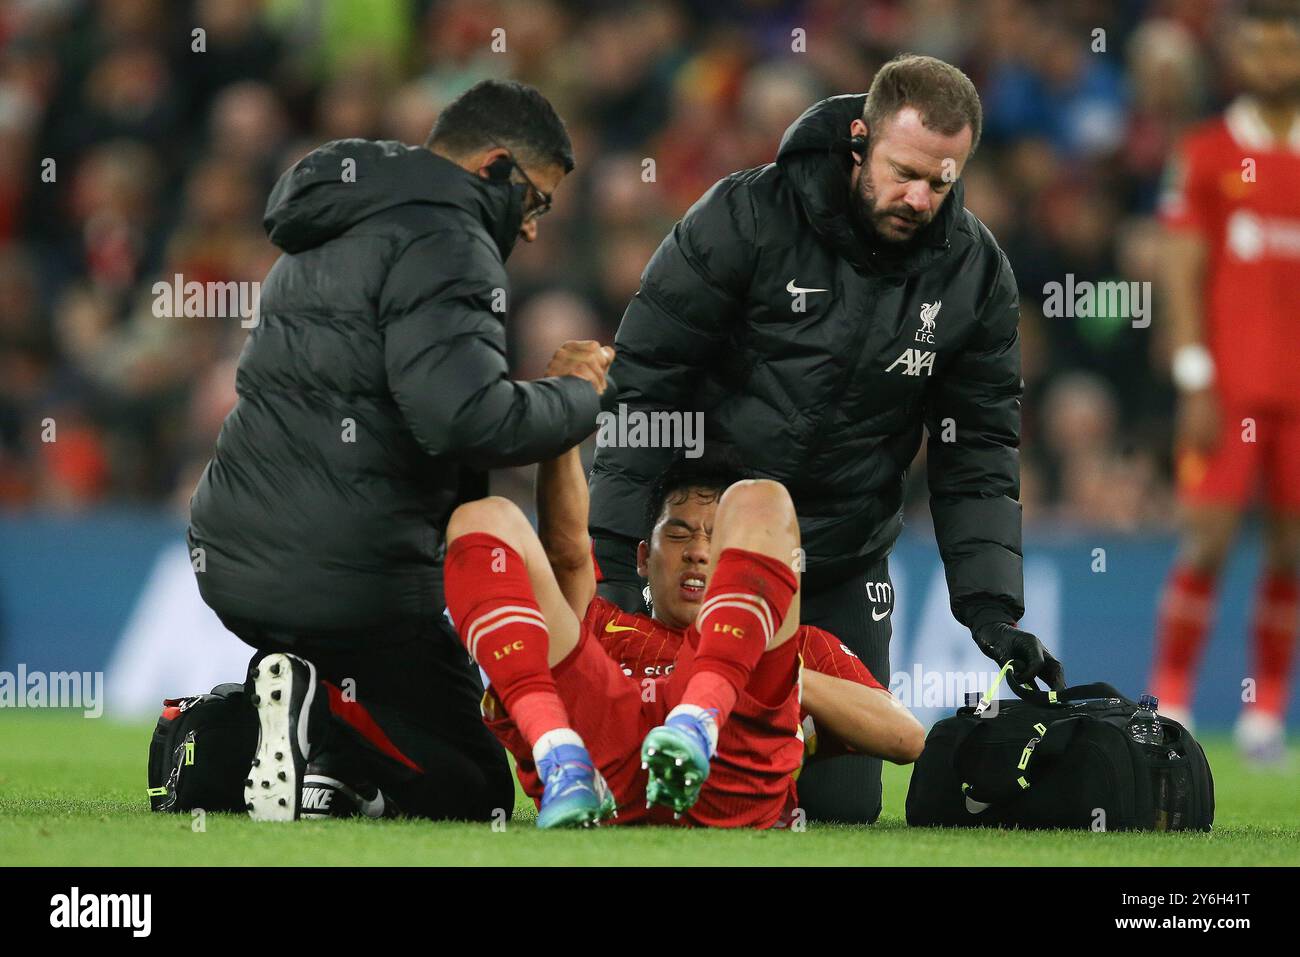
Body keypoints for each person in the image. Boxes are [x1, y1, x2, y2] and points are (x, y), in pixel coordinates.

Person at [588, 54, 1062, 822]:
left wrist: (991, 611)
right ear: (857, 142)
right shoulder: (742, 218)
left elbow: (976, 454)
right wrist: (613, 559)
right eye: (904, 171)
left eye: (941, 182)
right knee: (651, 799)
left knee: (841, 812)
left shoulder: (974, 274)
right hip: (710, 544)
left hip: (838, 553)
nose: (920, 198)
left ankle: (773, 728)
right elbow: (644, 387)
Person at [187, 79, 615, 821]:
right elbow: (465, 419)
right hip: (355, 574)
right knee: (474, 787)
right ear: (496, 167)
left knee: (381, 721)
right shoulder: (450, 240)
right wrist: (578, 395)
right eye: (536, 201)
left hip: (236, 548)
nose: (535, 228)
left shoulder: (336, 214)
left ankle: (272, 744)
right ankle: (317, 717)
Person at [440, 446, 923, 828]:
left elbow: (905, 737)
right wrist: (564, 417)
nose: (696, 552)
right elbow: (567, 551)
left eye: (715, 537)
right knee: (481, 519)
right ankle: (557, 752)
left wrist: (764, 673)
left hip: (727, 776)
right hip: (599, 766)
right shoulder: (603, 624)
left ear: (744, 556)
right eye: (678, 535)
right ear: (642, 559)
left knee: (763, 497)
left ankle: (696, 721)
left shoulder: (792, 646)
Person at [1150, 0, 1300, 762]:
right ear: (1240, 59)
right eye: (1260, 50)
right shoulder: (1208, 151)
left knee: (1291, 549)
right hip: (1230, 387)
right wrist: (1193, 372)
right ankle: (1172, 699)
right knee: (1204, 539)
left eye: (1284, 50)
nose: (1272, 64)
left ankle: (1264, 714)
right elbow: (1180, 267)